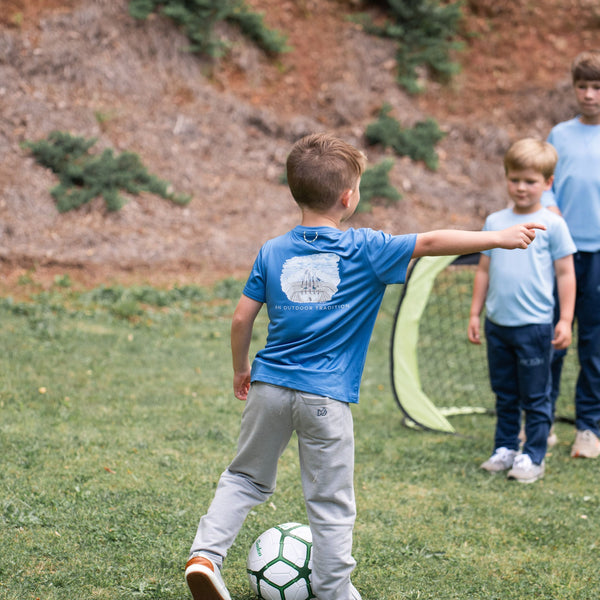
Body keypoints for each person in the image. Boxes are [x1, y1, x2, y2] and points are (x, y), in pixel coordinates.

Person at [185, 133, 546, 600]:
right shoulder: (365, 249)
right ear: (348, 196)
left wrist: (241, 369)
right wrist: (497, 237)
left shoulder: (272, 250)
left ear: (295, 191)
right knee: (330, 501)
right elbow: (433, 240)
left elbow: (241, 318)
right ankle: (334, 590)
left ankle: (205, 557)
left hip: (268, 387)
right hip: (325, 399)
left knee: (244, 477)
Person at [468, 138, 576, 483]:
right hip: (498, 324)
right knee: (505, 392)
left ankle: (534, 455)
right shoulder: (495, 221)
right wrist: (474, 313)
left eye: (530, 181)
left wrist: (565, 319)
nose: (521, 187)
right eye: (515, 179)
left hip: (535, 328)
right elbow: (483, 269)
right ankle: (505, 448)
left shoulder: (552, 225)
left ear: (548, 183)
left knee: (535, 394)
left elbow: (565, 273)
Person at [541, 49, 600, 459]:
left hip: (598, 257)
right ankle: (541, 423)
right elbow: (543, 182)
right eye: (583, 86)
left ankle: (588, 429)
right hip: (561, 254)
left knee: (593, 345)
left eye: (597, 87)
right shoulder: (559, 135)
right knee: (554, 338)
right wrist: (549, 202)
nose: (590, 95)